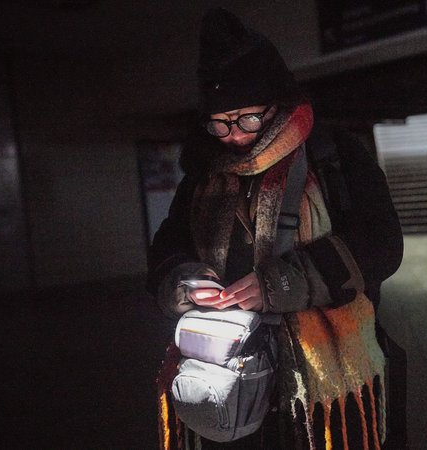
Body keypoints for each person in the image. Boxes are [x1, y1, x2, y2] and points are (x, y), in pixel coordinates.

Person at [146, 8, 404, 450]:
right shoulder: (204, 174)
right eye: (220, 123)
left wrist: (283, 282)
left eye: (248, 118)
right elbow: (168, 246)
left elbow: (382, 245)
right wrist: (187, 281)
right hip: (225, 377)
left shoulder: (332, 156)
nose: (234, 135)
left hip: (324, 384)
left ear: (277, 104)